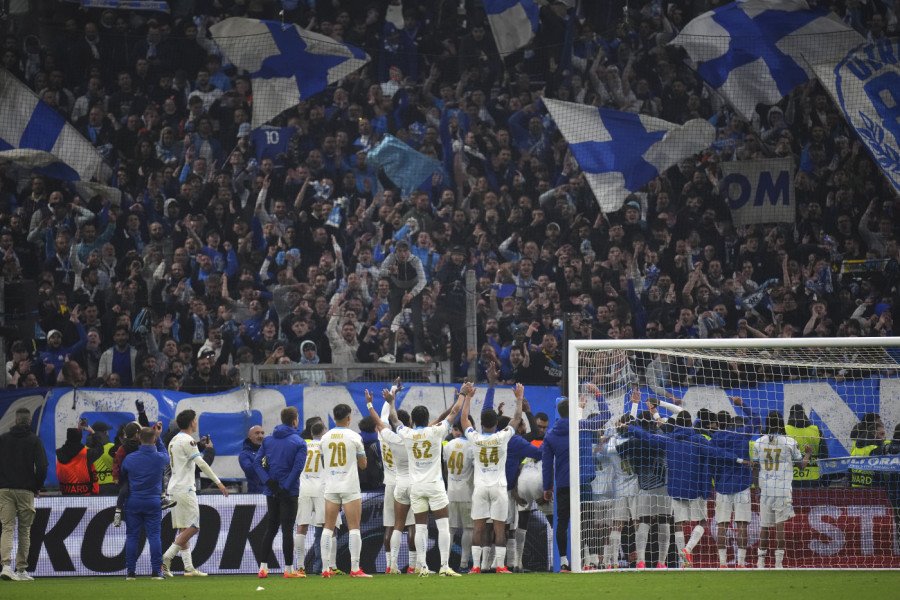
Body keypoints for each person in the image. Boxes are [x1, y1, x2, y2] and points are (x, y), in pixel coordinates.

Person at [373, 383, 467, 576]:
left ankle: (422, 566)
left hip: (416, 486)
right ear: (427, 418)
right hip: (434, 485)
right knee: (443, 526)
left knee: (421, 528)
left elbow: (393, 419)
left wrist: (391, 402)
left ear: (412, 421)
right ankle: (444, 566)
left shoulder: (407, 434)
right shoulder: (436, 431)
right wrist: (463, 395)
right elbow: (454, 413)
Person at [460, 381, 523, 574]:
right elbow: (517, 418)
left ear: (481, 423)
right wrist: (519, 398)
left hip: (480, 487)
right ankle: (501, 566)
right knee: (499, 528)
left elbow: (464, 420)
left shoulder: (475, 438)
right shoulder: (502, 437)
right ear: (496, 423)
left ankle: (476, 566)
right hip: (498, 487)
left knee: (478, 528)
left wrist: (468, 398)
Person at [161, 409, 229, 577]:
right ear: (192, 422)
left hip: (174, 487)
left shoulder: (174, 440)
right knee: (193, 527)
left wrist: (199, 445)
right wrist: (218, 482)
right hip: (185, 488)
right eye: (196, 419)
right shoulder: (188, 440)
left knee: (184, 528)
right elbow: (201, 464)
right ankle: (167, 557)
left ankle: (188, 567)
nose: (197, 422)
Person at [752, 410, 811, 569]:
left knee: (764, 526)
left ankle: (760, 562)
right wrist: (807, 454)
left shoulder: (758, 442)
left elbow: (755, 468)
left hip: (766, 490)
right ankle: (778, 563)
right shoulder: (790, 442)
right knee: (780, 526)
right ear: (781, 423)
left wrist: (757, 489)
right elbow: (801, 466)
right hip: (782, 489)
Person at [253, 407, 307, 578]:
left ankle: (263, 568)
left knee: (271, 528)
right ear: (295, 421)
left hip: (271, 491)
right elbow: (297, 468)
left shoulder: (268, 440)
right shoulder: (299, 442)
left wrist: (269, 483)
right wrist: (285, 488)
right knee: (287, 530)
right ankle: (289, 570)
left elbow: (256, 463)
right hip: (289, 492)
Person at [319, 402, 371, 578]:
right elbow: (363, 465)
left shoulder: (324, 438)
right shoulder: (355, 437)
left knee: (328, 527)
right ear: (349, 417)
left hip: (332, 486)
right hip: (349, 486)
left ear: (334, 418)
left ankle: (325, 569)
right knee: (354, 527)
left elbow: (324, 463)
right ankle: (355, 569)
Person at [372, 382, 418, 574]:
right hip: (408, 482)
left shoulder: (383, 436)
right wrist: (392, 395)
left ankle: (391, 564)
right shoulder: (409, 437)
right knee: (412, 525)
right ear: (408, 423)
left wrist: (391, 394)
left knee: (390, 526)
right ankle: (413, 566)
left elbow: (383, 417)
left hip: (390, 485)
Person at [0, 408, 48, 582]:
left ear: (15, 421)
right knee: (24, 530)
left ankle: (6, 566)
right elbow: (42, 467)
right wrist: (37, 487)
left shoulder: (3, 439)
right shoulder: (34, 440)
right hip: (26, 490)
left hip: (4, 490)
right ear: (29, 421)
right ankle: (21, 570)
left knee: (7, 528)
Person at [120, 423, 168, 580]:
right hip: (153, 501)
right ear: (153, 439)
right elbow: (165, 454)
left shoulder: (129, 458)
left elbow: (122, 476)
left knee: (132, 536)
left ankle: (130, 572)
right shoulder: (159, 458)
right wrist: (158, 438)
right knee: (154, 536)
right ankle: (156, 572)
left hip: (133, 500)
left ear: (139, 438)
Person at [442, 414, 474, 572]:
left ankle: (445, 564)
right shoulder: (472, 446)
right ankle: (463, 564)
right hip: (467, 492)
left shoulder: (448, 445)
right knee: (468, 528)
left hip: (451, 492)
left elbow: (445, 469)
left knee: (450, 529)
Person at [56, 421, 103, 495]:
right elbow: (100, 449)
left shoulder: (60, 453)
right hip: (85, 496)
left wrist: (78, 431)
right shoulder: (85, 454)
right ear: (80, 439)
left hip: (66, 495)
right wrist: (92, 432)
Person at [785, 404, 827, 488]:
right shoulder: (816, 430)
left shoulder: (785, 430)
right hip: (813, 478)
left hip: (791, 477)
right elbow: (824, 456)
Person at [239, 425, 265, 493]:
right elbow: (249, 471)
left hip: (273, 493)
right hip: (256, 493)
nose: (260, 436)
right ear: (250, 436)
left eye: (262, 433)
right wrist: (262, 460)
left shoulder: (268, 451)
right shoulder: (245, 454)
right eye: (257, 433)